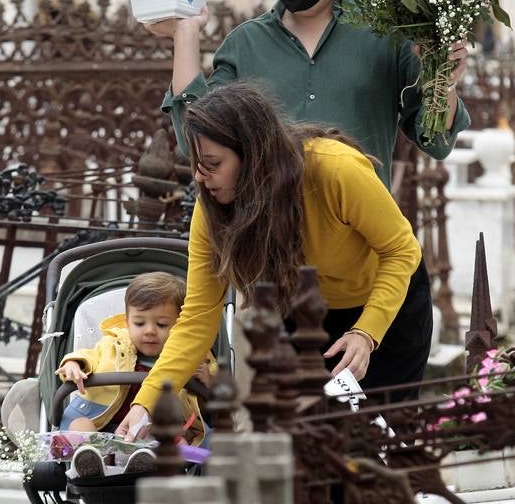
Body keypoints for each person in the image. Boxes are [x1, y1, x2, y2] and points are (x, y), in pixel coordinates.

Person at [115, 82, 430, 440]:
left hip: (386, 312)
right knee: (316, 450)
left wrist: (365, 332)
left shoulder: (335, 169)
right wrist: (145, 403)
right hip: (306, 318)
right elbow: (198, 317)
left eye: (213, 164)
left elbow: (402, 250)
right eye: (197, 164)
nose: (200, 177)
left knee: (383, 445)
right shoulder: (212, 210)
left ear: (254, 156)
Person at [145, 0, 471, 188]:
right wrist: (185, 35)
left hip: (361, 241)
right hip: (269, 242)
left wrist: (445, 82)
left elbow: (436, 142)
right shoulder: (245, 44)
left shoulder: (387, 35)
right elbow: (198, 144)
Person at [54, 272, 212, 476]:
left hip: (158, 433)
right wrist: (73, 364)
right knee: (79, 425)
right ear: (127, 322)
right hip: (104, 427)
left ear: (180, 327)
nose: (149, 331)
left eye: (161, 324)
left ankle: (146, 464)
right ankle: (93, 462)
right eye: (139, 323)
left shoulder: (189, 357)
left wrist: (208, 381)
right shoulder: (113, 345)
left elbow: (212, 403)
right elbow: (89, 356)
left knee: (182, 442)